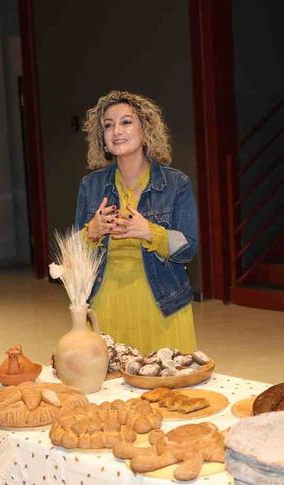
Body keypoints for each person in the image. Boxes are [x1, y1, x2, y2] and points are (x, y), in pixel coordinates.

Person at [74, 90, 198, 355]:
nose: (116, 131)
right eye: (109, 125)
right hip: (105, 304)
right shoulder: (90, 186)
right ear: (103, 138)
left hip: (163, 305)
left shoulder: (176, 184)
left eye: (126, 122)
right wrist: (91, 232)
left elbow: (189, 248)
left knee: (164, 380)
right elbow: (73, 255)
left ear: (146, 130)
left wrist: (150, 232)